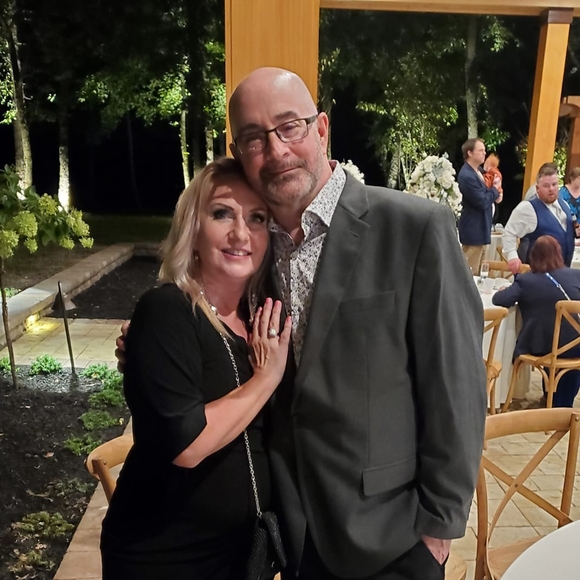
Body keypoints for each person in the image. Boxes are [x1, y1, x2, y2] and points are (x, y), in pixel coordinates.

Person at [117, 67, 487, 580]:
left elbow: (457, 387)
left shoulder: (414, 227)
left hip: (393, 538)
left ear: (322, 129)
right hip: (293, 537)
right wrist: (150, 348)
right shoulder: (256, 250)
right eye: (254, 138)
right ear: (239, 152)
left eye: (290, 126)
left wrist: (438, 530)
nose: (276, 150)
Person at [101, 157, 292, 580]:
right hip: (169, 556)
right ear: (193, 228)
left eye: (257, 218)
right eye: (222, 213)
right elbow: (187, 444)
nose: (241, 233)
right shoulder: (167, 310)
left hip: (244, 555)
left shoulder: (261, 318)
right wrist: (266, 378)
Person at [492, 235, 580, 407]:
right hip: (575, 344)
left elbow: (500, 300)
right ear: (559, 253)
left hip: (540, 345)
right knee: (569, 351)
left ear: (533, 255)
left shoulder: (526, 280)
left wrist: (504, 289)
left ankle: (552, 399)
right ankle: (561, 403)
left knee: (551, 341)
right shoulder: (575, 275)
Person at [502, 163, 578, 274]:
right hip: (536, 274)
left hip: (563, 272)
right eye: (546, 186)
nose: (551, 189)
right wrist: (512, 256)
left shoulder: (564, 205)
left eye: (554, 184)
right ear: (537, 188)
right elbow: (509, 232)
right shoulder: (527, 208)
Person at [457, 138, 502, 274]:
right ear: (470, 153)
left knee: (479, 271)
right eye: (480, 150)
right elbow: (481, 200)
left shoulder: (479, 172)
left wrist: (497, 192)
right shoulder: (467, 175)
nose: (484, 153)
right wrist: (495, 190)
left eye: (484, 150)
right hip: (473, 231)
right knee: (470, 272)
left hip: (481, 230)